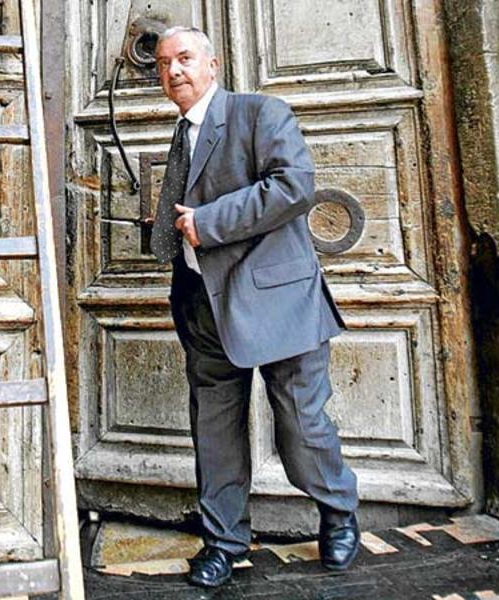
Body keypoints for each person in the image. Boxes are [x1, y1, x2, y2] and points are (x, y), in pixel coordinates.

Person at [150, 26, 361, 589]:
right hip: (205, 309)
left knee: (301, 427)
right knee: (214, 432)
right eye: (164, 63)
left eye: (185, 58)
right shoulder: (180, 134)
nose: (174, 71)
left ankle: (338, 512)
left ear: (213, 65)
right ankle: (223, 541)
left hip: (279, 303)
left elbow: (294, 186)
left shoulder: (261, 113)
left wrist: (208, 223)